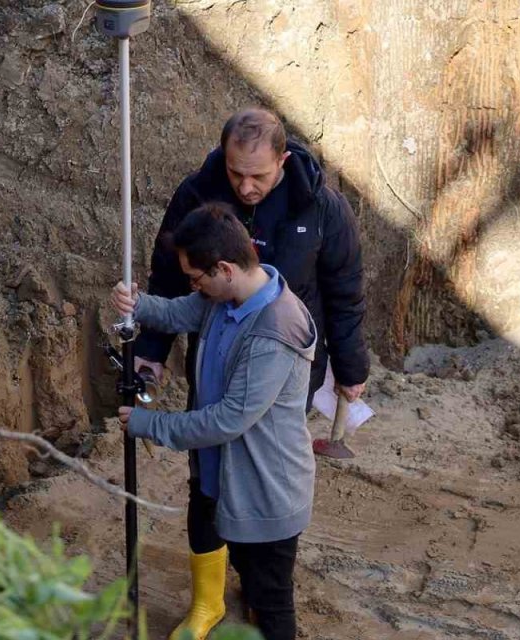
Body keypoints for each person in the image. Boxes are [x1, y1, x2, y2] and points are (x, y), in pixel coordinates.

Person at [133, 108, 369, 639]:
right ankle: (208, 601)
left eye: (258, 176)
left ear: (283, 161)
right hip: (217, 351)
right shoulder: (199, 197)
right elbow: (173, 281)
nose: (245, 186)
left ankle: (264, 587)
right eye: (236, 173)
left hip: (280, 361)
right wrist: (148, 347)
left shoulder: (319, 207)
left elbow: (345, 291)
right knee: (209, 481)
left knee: (262, 467)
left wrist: (350, 368)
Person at [114, 202, 316, 640]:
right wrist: (139, 304)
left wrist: (149, 424)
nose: (194, 286)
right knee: (213, 533)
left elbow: (227, 420)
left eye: (195, 277)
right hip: (219, 473)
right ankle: (212, 604)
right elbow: (179, 313)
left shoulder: (274, 331)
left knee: (270, 603)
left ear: (224, 268)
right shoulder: (223, 299)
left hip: (265, 492)